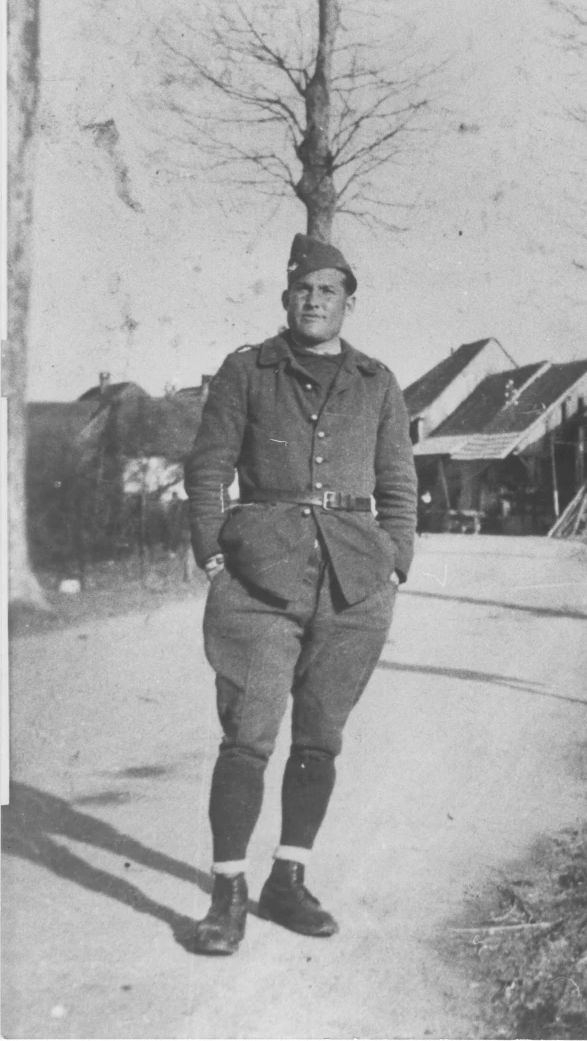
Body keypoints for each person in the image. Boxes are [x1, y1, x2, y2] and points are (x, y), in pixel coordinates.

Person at [185, 234, 417, 955]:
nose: (315, 301)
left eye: (329, 290)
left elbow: (399, 482)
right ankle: (228, 892)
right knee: (248, 735)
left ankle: (288, 878)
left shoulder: (378, 382)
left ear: (349, 301)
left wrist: (397, 561)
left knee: (320, 737)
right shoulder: (246, 371)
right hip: (260, 579)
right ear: (287, 299)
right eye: (303, 290)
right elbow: (207, 469)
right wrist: (213, 552)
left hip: (354, 584)